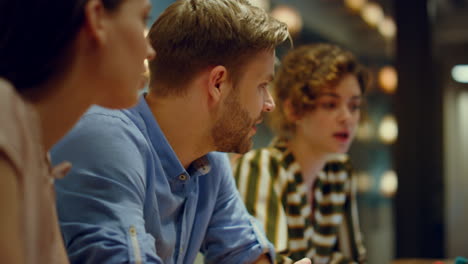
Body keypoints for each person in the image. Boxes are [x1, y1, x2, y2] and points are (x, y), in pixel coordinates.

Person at [50, 0, 311, 263]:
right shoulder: (106, 140)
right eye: (262, 85)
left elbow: (244, 252)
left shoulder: (209, 158)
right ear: (217, 83)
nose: (269, 104)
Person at [0, 0, 155, 263]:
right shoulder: (5, 117)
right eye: (143, 19)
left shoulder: (38, 154)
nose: (150, 51)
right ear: (97, 19)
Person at [234, 43, 369, 264]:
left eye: (354, 106)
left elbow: (351, 258)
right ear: (293, 109)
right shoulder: (262, 166)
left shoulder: (340, 171)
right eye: (330, 104)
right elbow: (269, 259)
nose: (347, 118)